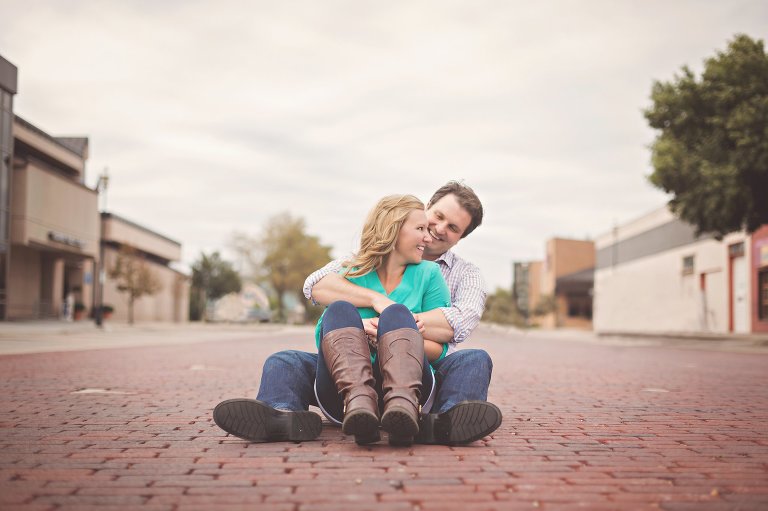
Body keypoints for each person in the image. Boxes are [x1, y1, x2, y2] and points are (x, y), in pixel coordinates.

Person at [213, 181, 501, 445]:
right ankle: (282, 416)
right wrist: (373, 308)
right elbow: (316, 285)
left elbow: (456, 325)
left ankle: (443, 422)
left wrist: (393, 329)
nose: (437, 230)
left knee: (474, 360)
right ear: (420, 214)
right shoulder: (356, 265)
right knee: (284, 361)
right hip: (345, 374)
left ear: (460, 237)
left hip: (416, 372)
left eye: (453, 228)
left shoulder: (455, 275)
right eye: (436, 219)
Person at [312, 194, 449, 445]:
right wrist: (363, 321)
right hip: (343, 396)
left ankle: (402, 409)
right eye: (420, 229)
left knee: (396, 314)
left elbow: (439, 351)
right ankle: (359, 405)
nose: (428, 238)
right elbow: (318, 294)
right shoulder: (353, 273)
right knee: (338, 311)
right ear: (393, 230)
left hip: (412, 389)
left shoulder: (429, 273)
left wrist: (396, 337)